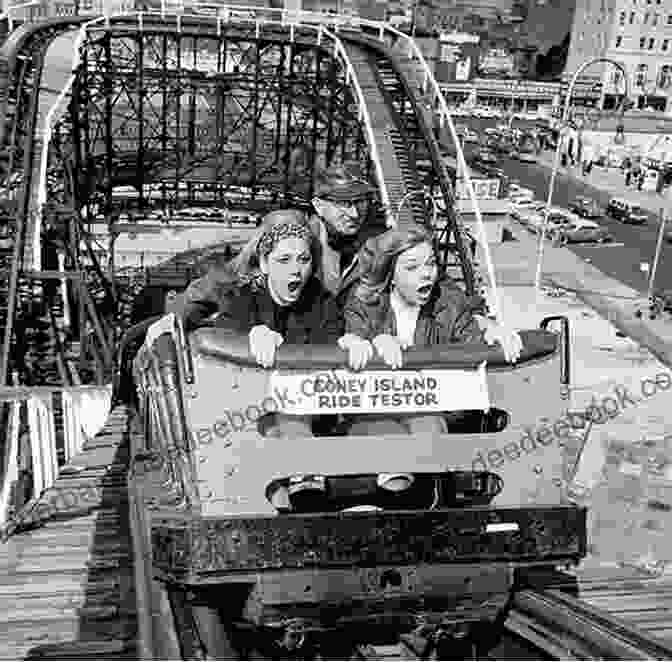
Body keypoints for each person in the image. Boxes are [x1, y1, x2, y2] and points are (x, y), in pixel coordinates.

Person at [177, 209, 370, 437]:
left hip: (306, 404)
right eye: (284, 259)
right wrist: (247, 337)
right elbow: (215, 331)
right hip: (251, 412)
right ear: (264, 262)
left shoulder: (321, 300)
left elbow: (329, 342)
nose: (295, 270)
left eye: (303, 259)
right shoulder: (239, 294)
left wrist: (349, 343)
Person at [343, 225, 523, 436]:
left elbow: (471, 342)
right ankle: (396, 469)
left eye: (431, 264)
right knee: (385, 429)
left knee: (427, 423)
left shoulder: (448, 303)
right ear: (390, 274)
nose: (426, 274)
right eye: (412, 268)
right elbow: (353, 338)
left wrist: (491, 335)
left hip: (431, 408)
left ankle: (428, 466)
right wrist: (370, 344)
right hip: (376, 409)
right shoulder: (364, 303)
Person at [305, 163, 386, 306]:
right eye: (343, 203)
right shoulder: (301, 244)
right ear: (318, 205)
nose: (354, 214)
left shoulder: (379, 243)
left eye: (360, 201)